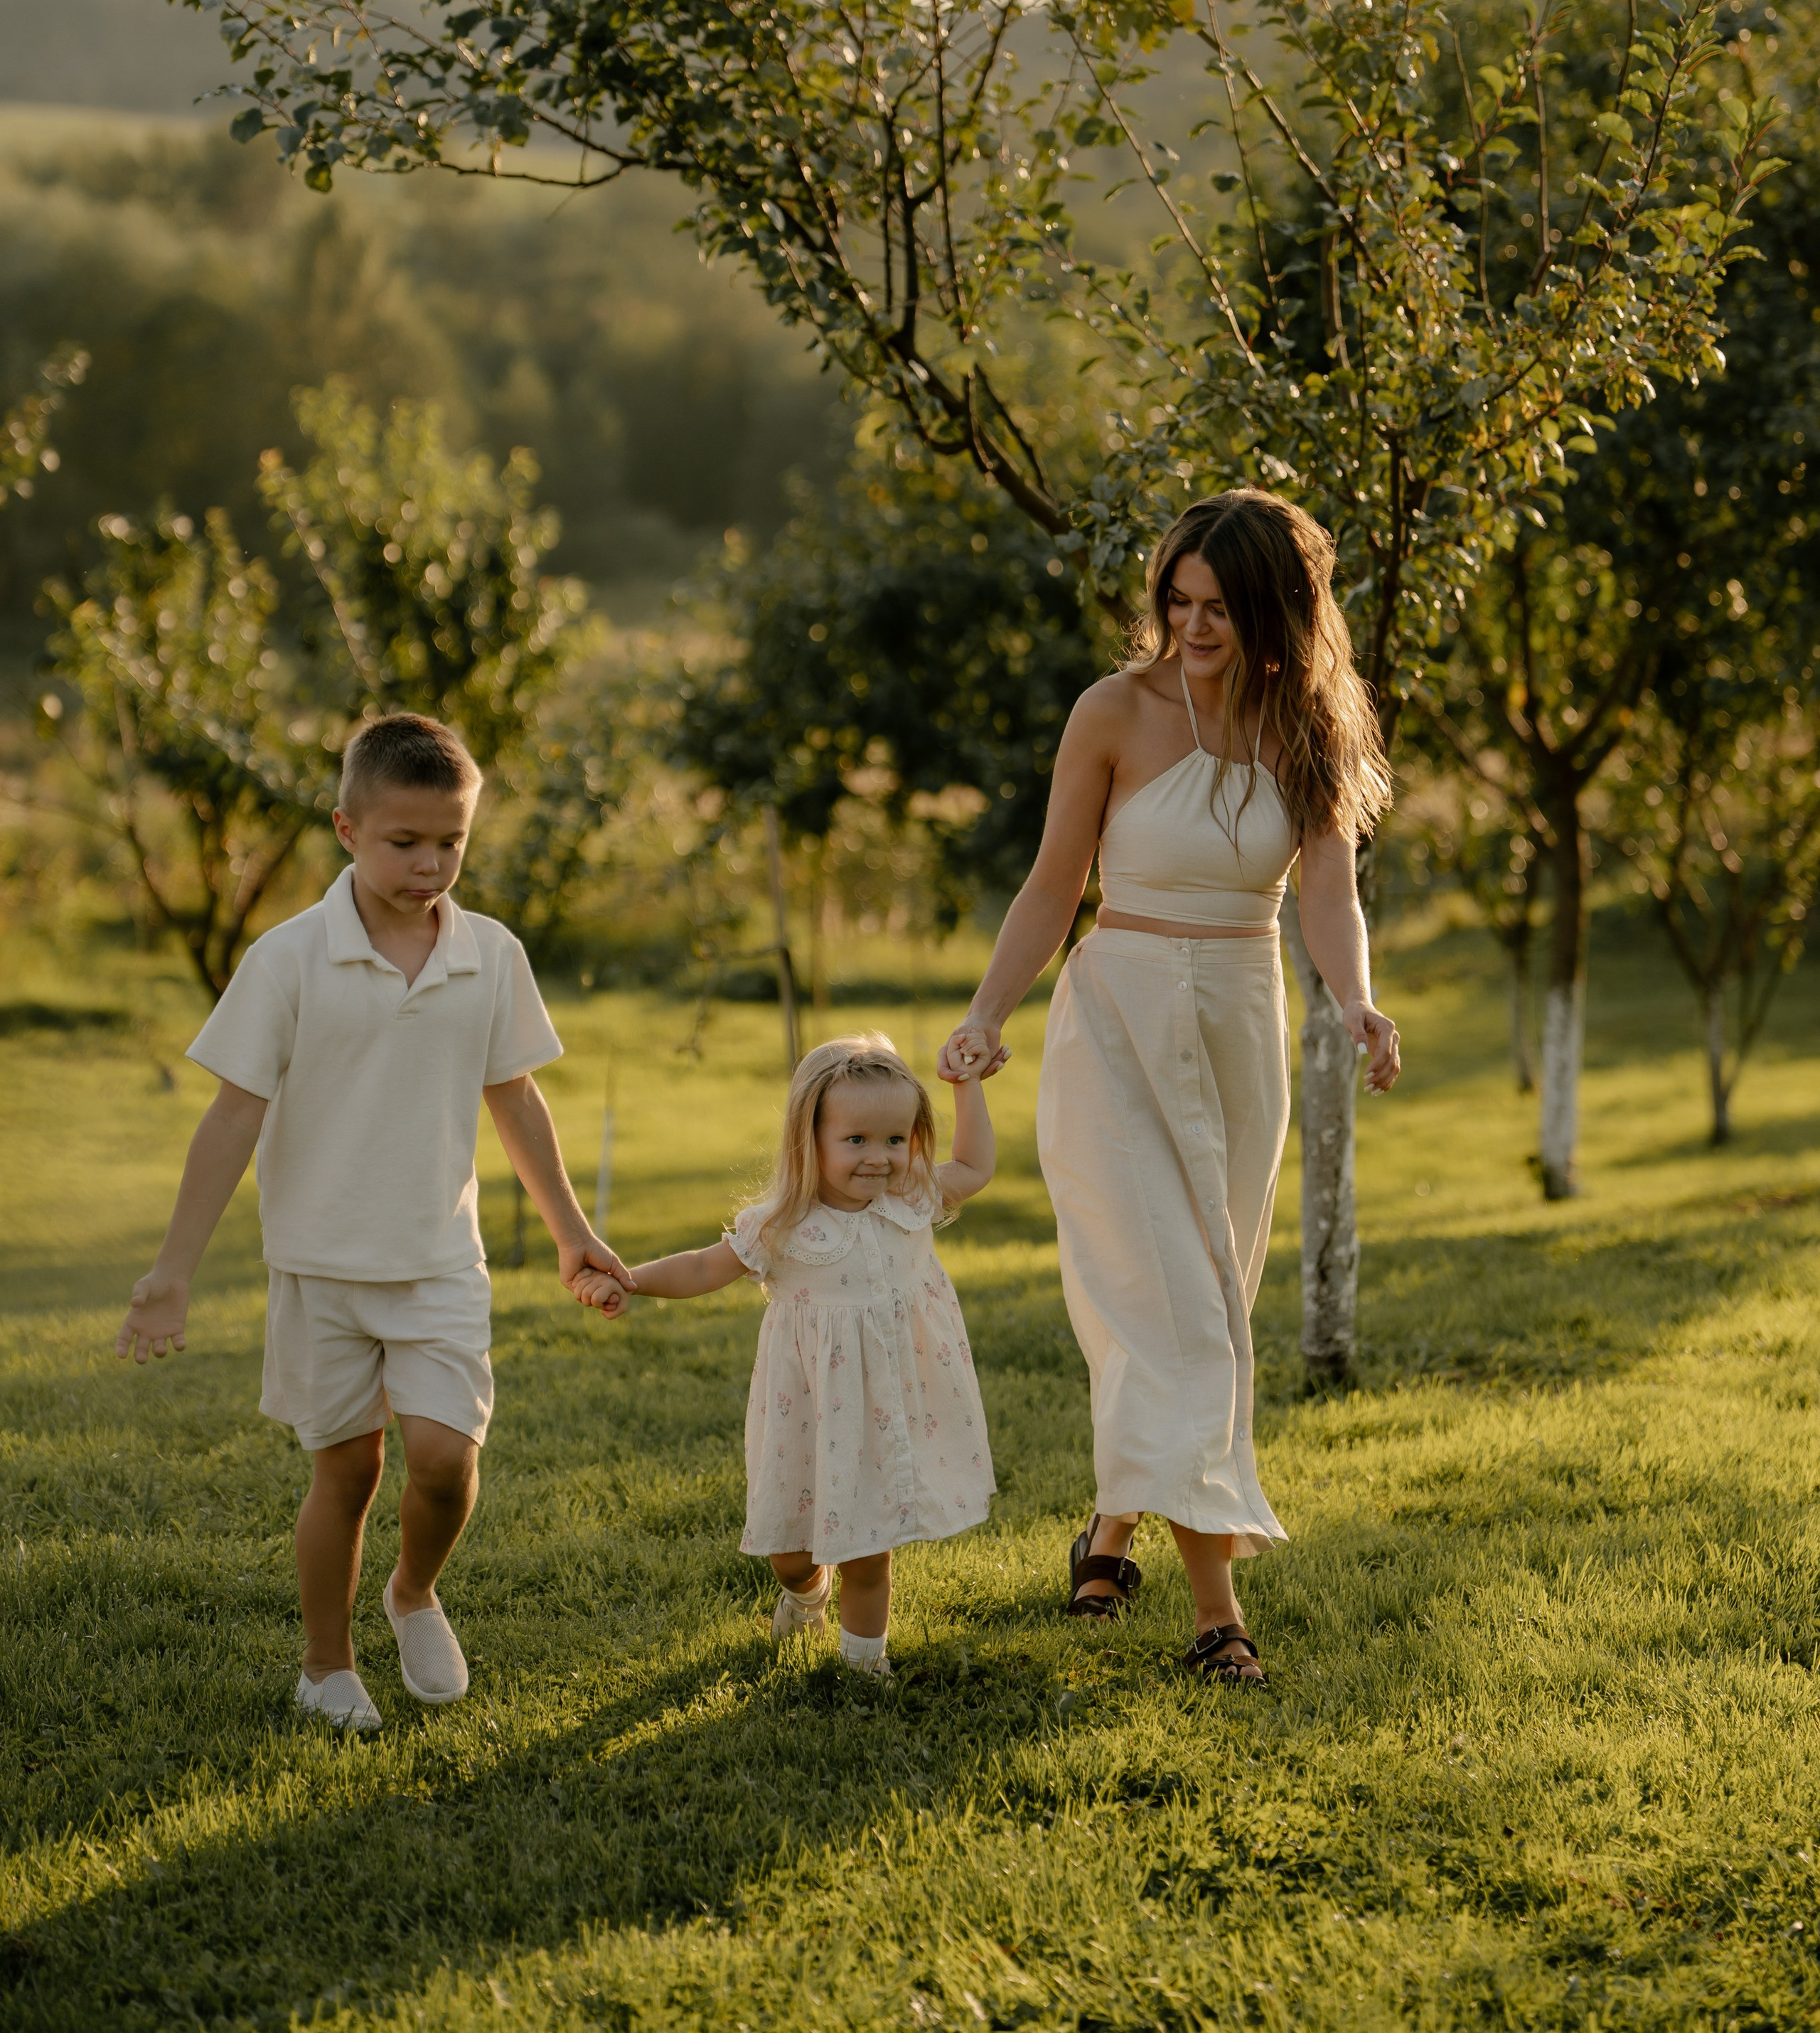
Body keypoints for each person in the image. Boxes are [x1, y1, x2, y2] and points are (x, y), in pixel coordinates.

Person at [937, 489, 1399, 1689]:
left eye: (1218, 607)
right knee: (1170, 1308)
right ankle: (1218, 1619)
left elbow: (1332, 894)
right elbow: (1052, 887)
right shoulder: (1114, 712)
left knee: (1208, 1296)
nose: (1192, 627)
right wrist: (989, 1014)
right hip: (1117, 1018)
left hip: (1242, 1018)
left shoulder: (1311, 725)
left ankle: (1110, 1530)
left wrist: (1356, 1000)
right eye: (1176, 601)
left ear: (1276, 612)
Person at [114, 710, 630, 1731]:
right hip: (320, 1267)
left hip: (440, 1260)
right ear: (348, 829)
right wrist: (172, 1271)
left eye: (452, 842)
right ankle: (326, 1665)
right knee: (346, 1470)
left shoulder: (490, 956)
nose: (431, 863)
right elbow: (231, 1116)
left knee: (445, 1459)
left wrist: (571, 1230)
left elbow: (516, 1100)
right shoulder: (289, 959)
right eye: (407, 842)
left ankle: (414, 1592)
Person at [575, 1034, 995, 1679]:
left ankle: (863, 1668)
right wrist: (628, 1280)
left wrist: (968, 1087)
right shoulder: (784, 1224)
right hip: (811, 1407)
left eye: (894, 1139)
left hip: (889, 1402)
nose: (879, 1158)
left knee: (867, 1540)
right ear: (811, 1139)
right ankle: (805, 1593)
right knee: (792, 1552)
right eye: (856, 1140)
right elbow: (700, 1267)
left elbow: (973, 1166)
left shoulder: (909, 1198)